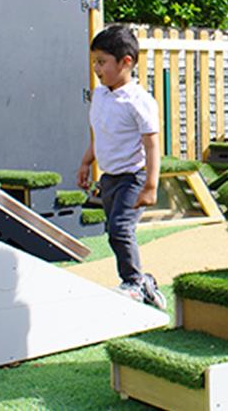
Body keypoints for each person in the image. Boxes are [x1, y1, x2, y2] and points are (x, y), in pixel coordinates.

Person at [77, 24, 166, 309]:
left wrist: (151, 185)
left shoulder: (139, 102)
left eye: (102, 62)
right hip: (110, 178)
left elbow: (152, 145)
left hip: (134, 177)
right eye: (94, 61)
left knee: (120, 229)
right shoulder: (101, 94)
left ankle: (134, 282)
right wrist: (86, 161)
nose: (96, 68)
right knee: (113, 232)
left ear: (126, 62)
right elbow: (101, 132)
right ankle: (145, 283)